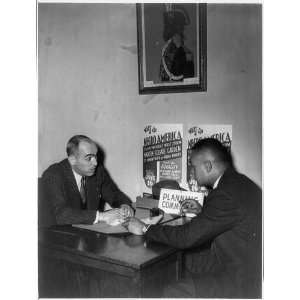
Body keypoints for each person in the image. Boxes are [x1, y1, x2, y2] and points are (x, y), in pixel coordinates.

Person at [124, 138, 262, 298]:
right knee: (181, 262)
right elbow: (228, 219)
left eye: (193, 167)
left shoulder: (225, 193)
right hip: (240, 263)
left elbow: (186, 237)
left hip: (238, 281)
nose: (192, 173)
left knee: (170, 291)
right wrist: (203, 211)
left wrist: (144, 227)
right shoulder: (238, 183)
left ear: (208, 166)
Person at [39, 135, 134, 227]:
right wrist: (102, 216)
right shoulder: (53, 175)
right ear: (72, 160)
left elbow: (114, 195)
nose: (95, 163)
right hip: (55, 235)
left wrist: (125, 206)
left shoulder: (98, 172)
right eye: (89, 158)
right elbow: (61, 215)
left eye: (95, 157)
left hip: (85, 233)